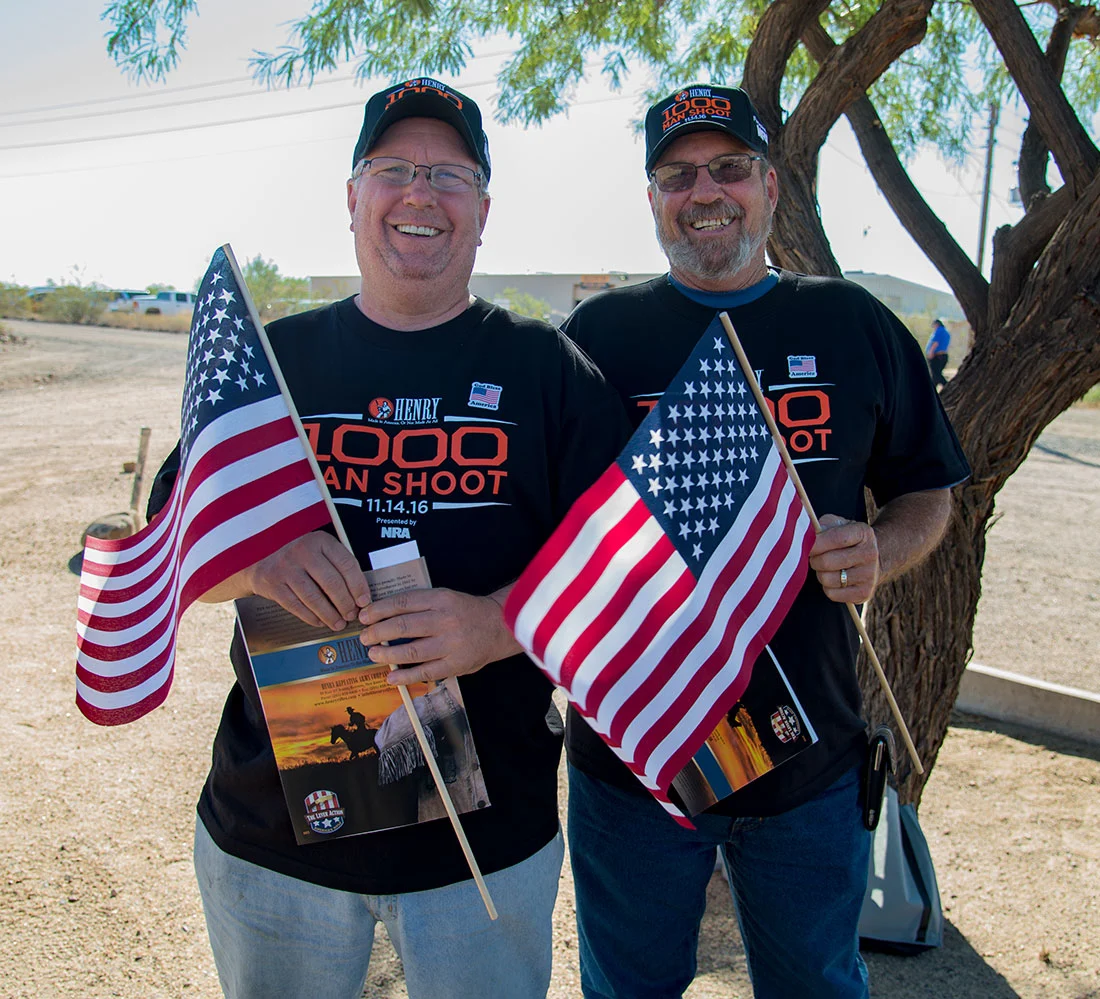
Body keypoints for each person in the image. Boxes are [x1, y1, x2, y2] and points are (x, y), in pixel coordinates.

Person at [146, 79, 628, 999]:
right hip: (273, 841)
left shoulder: (545, 369)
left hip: (484, 847)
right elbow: (170, 546)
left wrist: (499, 625)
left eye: (448, 174)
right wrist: (257, 561)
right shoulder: (273, 363)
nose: (420, 193)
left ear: (482, 210)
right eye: (394, 168)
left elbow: (631, 567)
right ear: (354, 195)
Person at [560, 84, 971, 999]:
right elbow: (549, 523)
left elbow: (928, 490)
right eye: (677, 174)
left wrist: (879, 547)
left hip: (807, 752)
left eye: (729, 168)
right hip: (638, 754)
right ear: (654, 198)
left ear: (772, 187)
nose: (705, 191)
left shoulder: (851, 322)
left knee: (820, 985)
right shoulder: (598, 336)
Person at [926, 317, 951, 389]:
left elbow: (935, 343)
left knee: (936, 374)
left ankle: (947, 386)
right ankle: (932, 390)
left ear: (937, 324)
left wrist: (931, 352)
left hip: (936, 356)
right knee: (935, 376)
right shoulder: (946, 332)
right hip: (943, 356)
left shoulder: (939, 331)